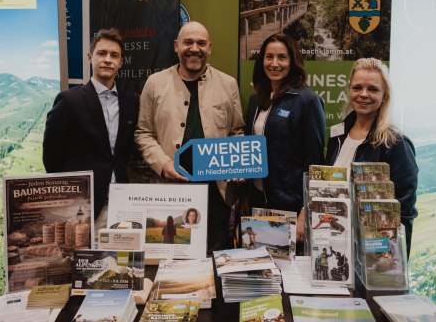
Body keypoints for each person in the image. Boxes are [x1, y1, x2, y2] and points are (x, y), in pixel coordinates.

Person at [135, 21, 244, 252]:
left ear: (210, 48)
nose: (195, 48)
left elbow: (237, 132)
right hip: (170, 189)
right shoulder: (154, 84)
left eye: (201, 43)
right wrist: (163, 164)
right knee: (172, 254)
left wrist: (237, 165)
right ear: (176, 46)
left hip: (217, 193)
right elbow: (143, 133)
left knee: (215, 253)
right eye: (188, 42)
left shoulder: (228, 84)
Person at [325, 58, 418, 257]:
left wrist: (385, 255)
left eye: (373, 89)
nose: (363, 94)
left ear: (384, 96)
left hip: (372, 252)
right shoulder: (337, 136)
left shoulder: (395, 143)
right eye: (357, 87)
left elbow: (404, 210)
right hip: (335, 242)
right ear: (349, 91)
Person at [43, 29, 139, 215]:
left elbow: (124, 152)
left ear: (120, 62)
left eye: (114, 55)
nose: (107, 59)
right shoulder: (69, 100)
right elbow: (52, 157)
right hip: (82, 202)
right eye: (101, 53)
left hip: (121, 200)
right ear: (90, 57)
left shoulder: (131, 102)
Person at [244, 33, 325, 213]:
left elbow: (314, 162)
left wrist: (307, 210)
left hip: (290, 203)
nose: (274, 64)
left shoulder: (307, 100)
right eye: (269, 57)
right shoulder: (256, 98)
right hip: (257, 199)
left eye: (282, 57)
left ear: (293, 61)